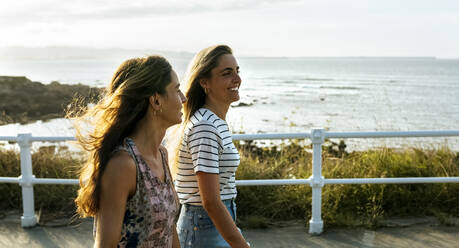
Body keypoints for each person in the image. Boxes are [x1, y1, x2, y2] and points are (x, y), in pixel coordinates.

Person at [72, 55, 186, 247]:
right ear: (156, 101)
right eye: (176, 89)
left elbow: (169, 229)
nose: (183, 98)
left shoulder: (162, 155)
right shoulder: (123, 165)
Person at [173, 45, 250, 248]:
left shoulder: (214, 121)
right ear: (204, 82)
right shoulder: (205, 127)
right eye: (227, 73)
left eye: (237, 71)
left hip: (212, 223)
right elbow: (211, 202)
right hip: (204, 227)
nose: (237, 79)